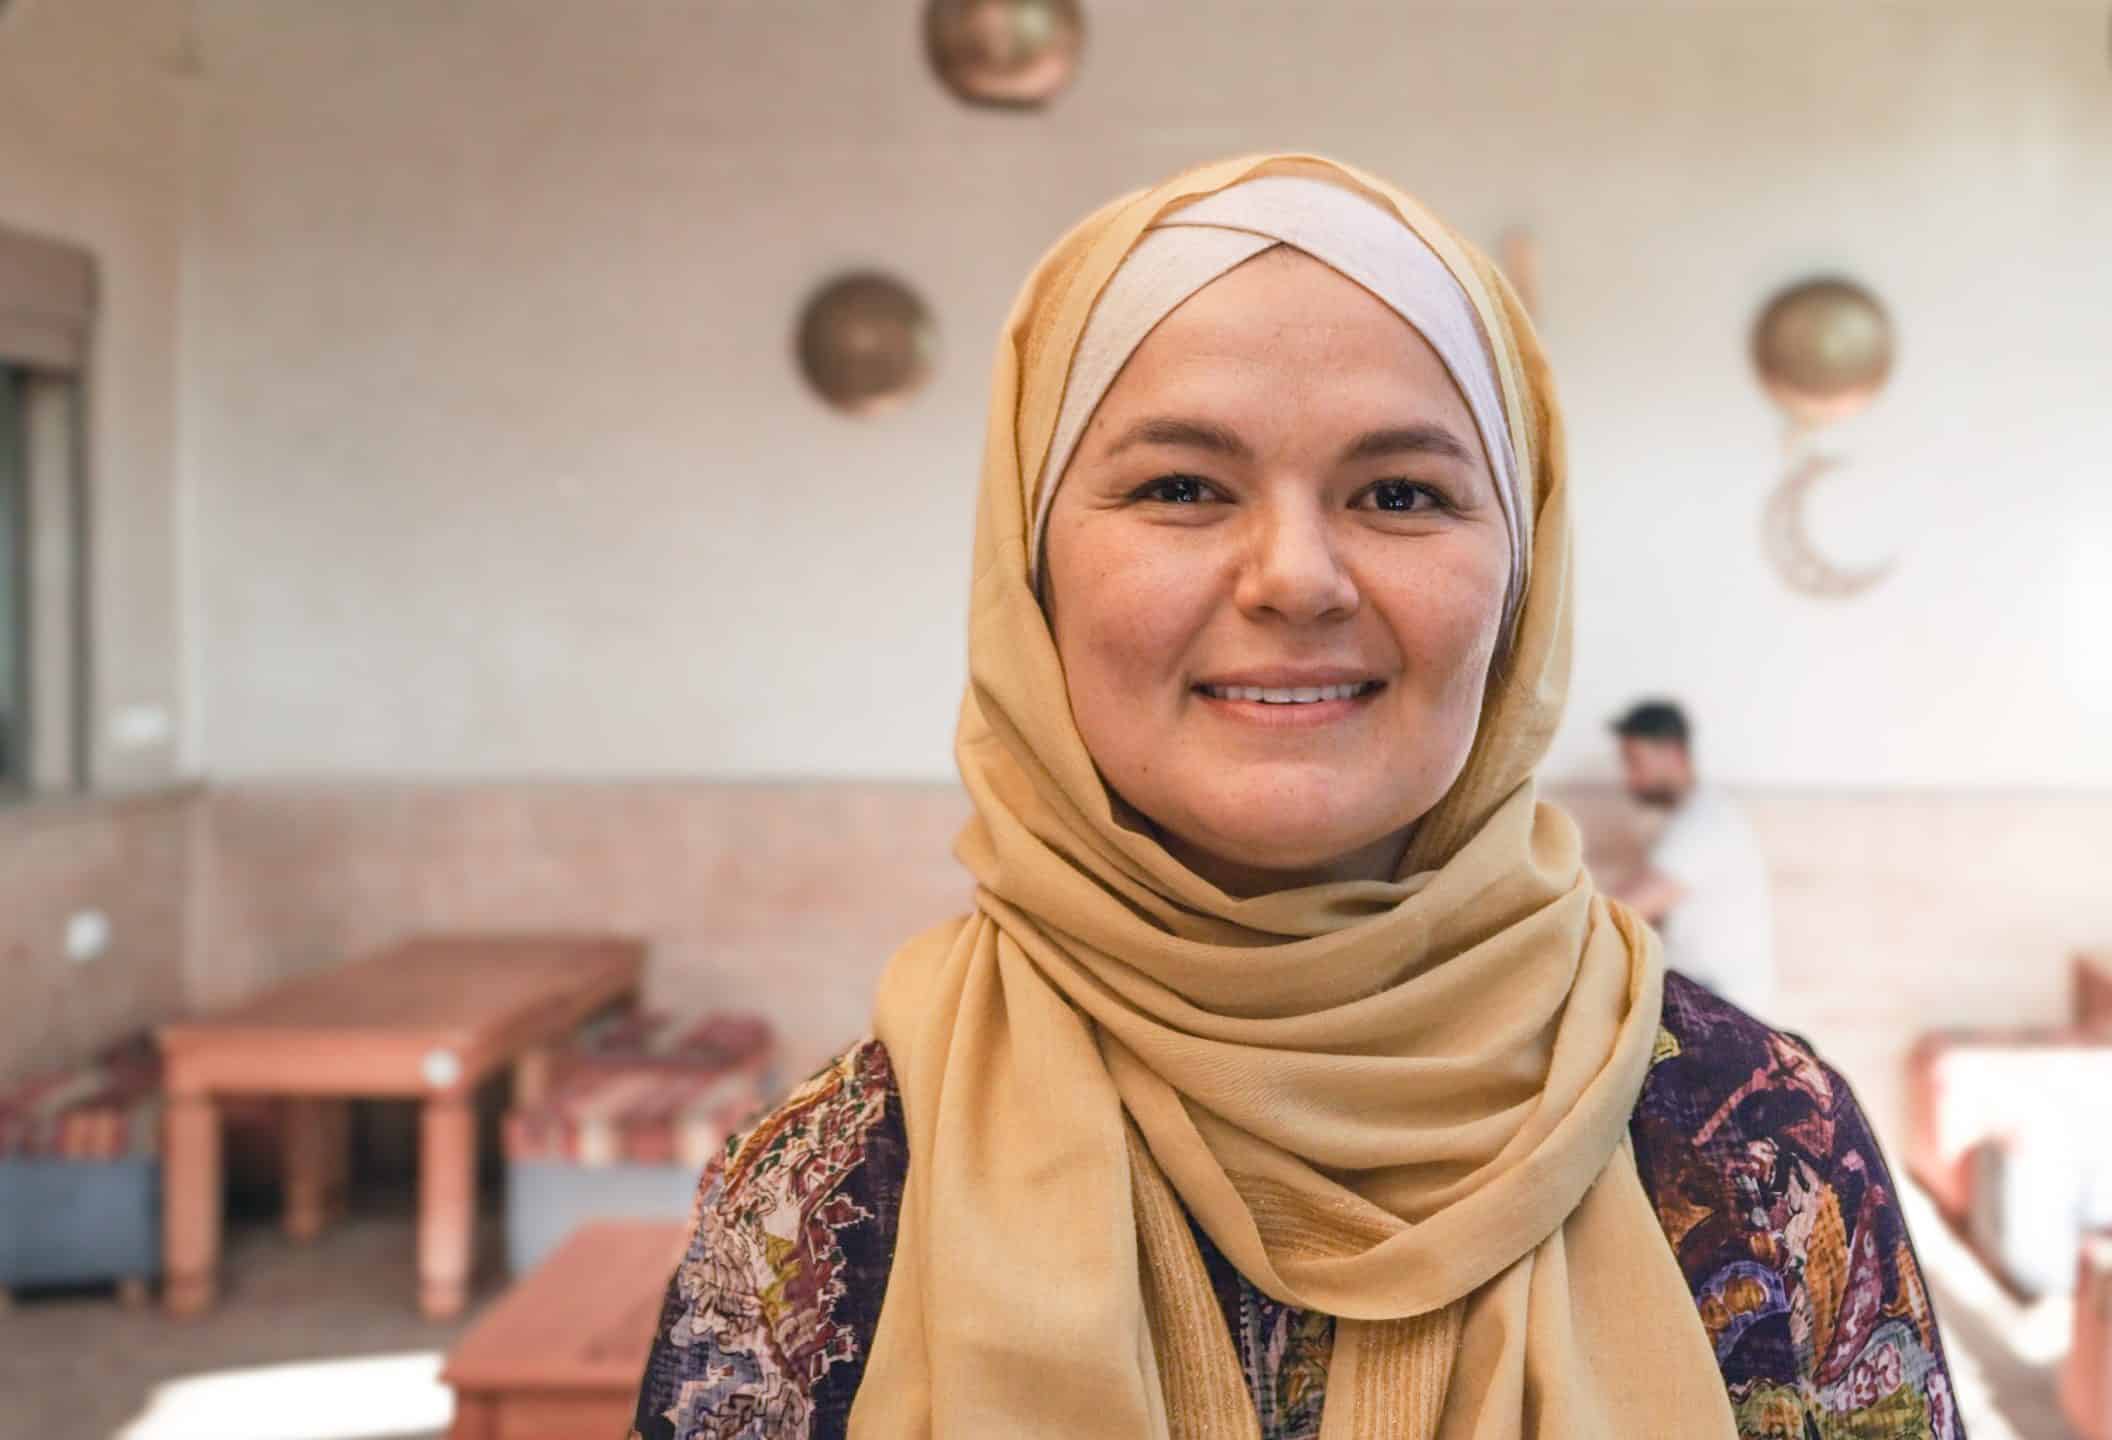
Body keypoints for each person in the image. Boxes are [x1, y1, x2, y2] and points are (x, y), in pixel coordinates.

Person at [630, 154, 1963, 1439]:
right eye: (1180, 487)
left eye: (1400, 492)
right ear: (1031, 575)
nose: (1295, 579)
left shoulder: (1765, 1155)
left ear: (1521, 579)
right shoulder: (825, 1196)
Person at [1611, 698, 1781, 1016]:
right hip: (1717, 998)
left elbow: (1628, 907)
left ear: (1673, 753)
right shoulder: (1700, 814)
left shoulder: (1702, 822)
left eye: (1635, 762)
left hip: (1722, 1005)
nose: (1630, 779)